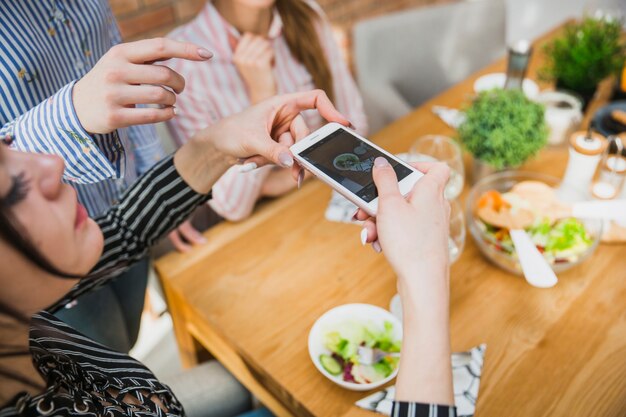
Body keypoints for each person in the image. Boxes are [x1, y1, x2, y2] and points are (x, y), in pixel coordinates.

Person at [0, 84, 456, 417]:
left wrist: (216, 143)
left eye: (6, 144)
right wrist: (424, 276)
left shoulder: (20, 316)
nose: (51, 162)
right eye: (11, 191)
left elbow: (123, 229)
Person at [0, 1, 205, 351]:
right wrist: (69, 115)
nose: (53, 165)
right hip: (44, 255)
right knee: (105, 361)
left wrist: (157, 179)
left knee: (128, 342)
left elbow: (125, 84)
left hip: (125, 199)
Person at [164, 0, 368, 251]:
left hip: (325, 211)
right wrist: (262, 98)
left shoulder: (306, 14)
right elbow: (232, 206)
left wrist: (269, 186)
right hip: (255, 241)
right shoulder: (183, 64)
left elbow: (354, 125)